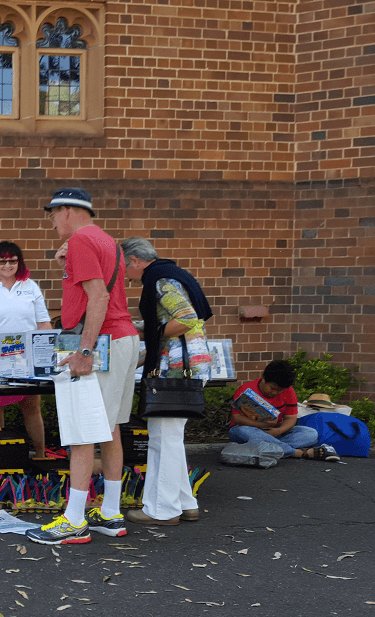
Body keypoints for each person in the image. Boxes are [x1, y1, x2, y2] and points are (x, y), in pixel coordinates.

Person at [26, 188, 140, 545]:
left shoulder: (81, 241)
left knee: (81, 432)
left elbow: (99, 297)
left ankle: (74, 519)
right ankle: (109, 512)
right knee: (110, 429)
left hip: (97, 341)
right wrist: (66, 268)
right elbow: (100, 291)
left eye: (54, 214)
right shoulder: (108, 241)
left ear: (68, 211)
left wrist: (85, 351)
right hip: (122, 338)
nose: (52, 222)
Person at [120, 237, 212, 526]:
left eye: (124, 266)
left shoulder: (158, 281)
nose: (124, 274)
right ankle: (186, 503)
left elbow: (186, 318)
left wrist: (149, 332)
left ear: (134, 260)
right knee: (171, 439)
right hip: (189, 366)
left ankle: (161, 510)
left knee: (163, 440)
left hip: (174, 370)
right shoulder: (172, 273)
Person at [0, 241, 53, 456]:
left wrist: (47, 356)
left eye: (12, 260)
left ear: (19, 262)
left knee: (32, 408)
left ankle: (41, 456)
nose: (7, 265)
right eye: (2, 261)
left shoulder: (31, 286)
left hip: (26, 358)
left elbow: (43, 323)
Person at [229, 359, 335, 461]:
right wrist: (264, 426)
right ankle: (297, 453)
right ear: (263, 378)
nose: (275, 393)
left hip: (275, 432)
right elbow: (237, 418)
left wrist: (278, 431)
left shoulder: (289, 391)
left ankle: (270, 449)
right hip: (251, 430)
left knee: (310, 433)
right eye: (272, 388)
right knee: (243, 431)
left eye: (280, 390)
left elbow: (291, 418)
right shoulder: (245, 390)